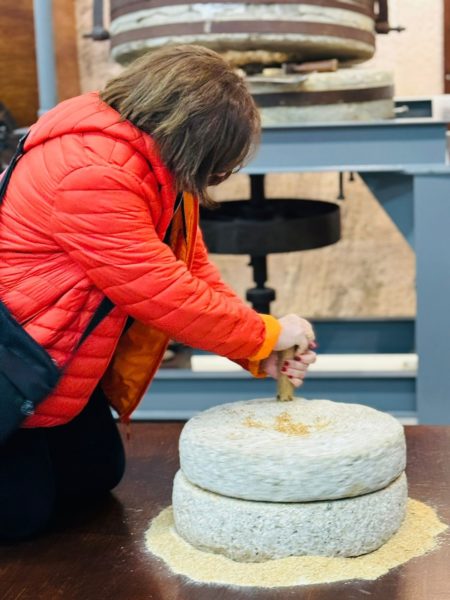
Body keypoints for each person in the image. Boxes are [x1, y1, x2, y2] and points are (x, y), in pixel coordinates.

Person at [0, 45, 316, 542]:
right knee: (23, 518)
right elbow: (162, 292)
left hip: (54, 352)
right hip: (16, 359)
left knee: (94, 480)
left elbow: (190, 269)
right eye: (218, 166)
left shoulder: (154, 162)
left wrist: (261, 351)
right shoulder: (92, 173)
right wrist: (268, 332)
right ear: (191, 136)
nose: (217, 177)